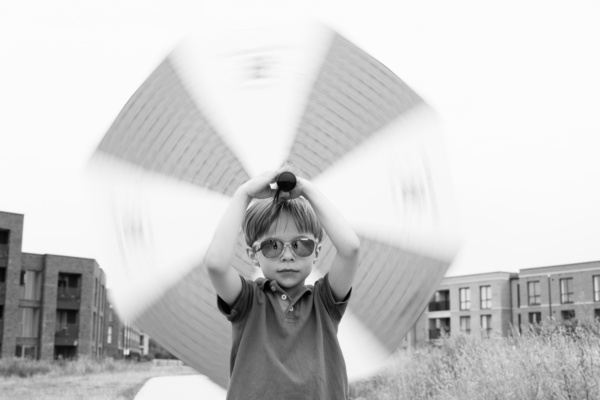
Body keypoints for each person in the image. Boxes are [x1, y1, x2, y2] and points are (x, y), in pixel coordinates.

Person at [204, 169, 361, 400]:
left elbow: (350, 249)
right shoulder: (248, 300)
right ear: (253, 254)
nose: (288, 256)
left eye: (300, 245)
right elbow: (216, 264)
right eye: (273, 246)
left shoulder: (325, 303)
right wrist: (244, 194)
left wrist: (307, 189)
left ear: (316, 251)